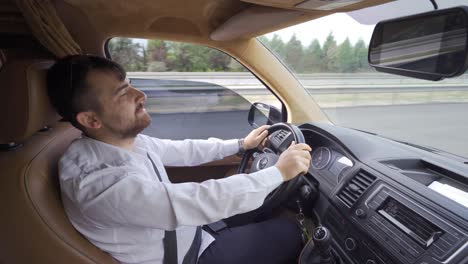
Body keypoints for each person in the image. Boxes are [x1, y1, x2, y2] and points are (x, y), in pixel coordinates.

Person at [47, 55, 312, 264]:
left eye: (130, 85)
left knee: (267, 203)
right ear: (91, 120)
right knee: (291, 232)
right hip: (187, 256)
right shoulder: (98, 182)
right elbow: (192, 201)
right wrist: (278, 172)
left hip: (187, 229)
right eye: (123, 93)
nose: (141, 96)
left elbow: (181, 150)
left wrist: (241, 145)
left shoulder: (114, 143)